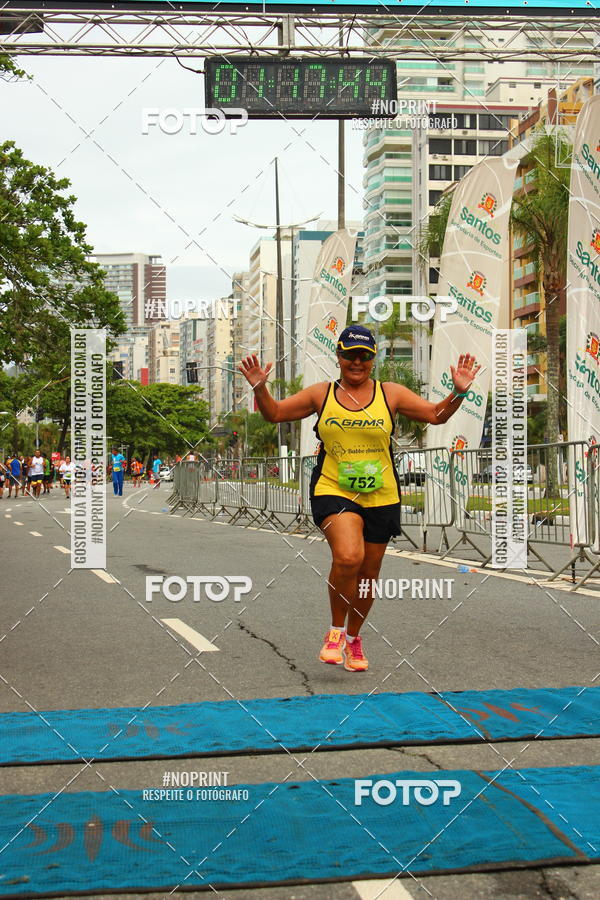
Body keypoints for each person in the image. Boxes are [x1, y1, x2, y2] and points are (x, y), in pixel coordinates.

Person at [238, 325, 480, 672]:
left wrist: (458, 394)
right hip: (334, 488)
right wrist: (260, 388)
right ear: (338, 357)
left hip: (381, 494)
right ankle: (335, 632)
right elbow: (274, 413)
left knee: (368, 574)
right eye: (349, 354)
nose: (356, 361)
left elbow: (433, 415)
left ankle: (354, 638)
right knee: (349, 556)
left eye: (364, 355)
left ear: (372, 359)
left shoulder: (390, 393)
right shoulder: (321, 394)